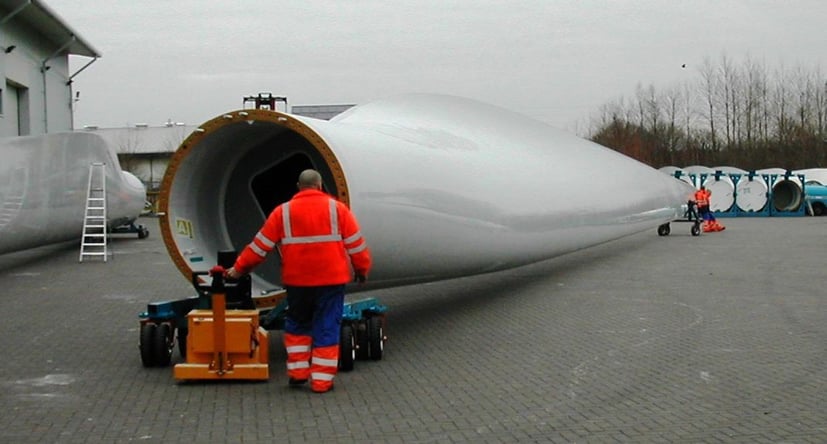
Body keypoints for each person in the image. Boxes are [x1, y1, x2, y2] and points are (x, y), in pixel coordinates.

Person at [226, 169, 372, 393]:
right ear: (320, 185)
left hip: (298, 282)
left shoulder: (282, 213)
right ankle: (322, 382)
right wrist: (362, 270)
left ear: (298, 186)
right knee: (326, 325)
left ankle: (297, 373)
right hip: (330, 280)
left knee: (297, 323)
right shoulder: (337, 210)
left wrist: (237, 270)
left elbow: (259, 247)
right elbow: (357, 246)